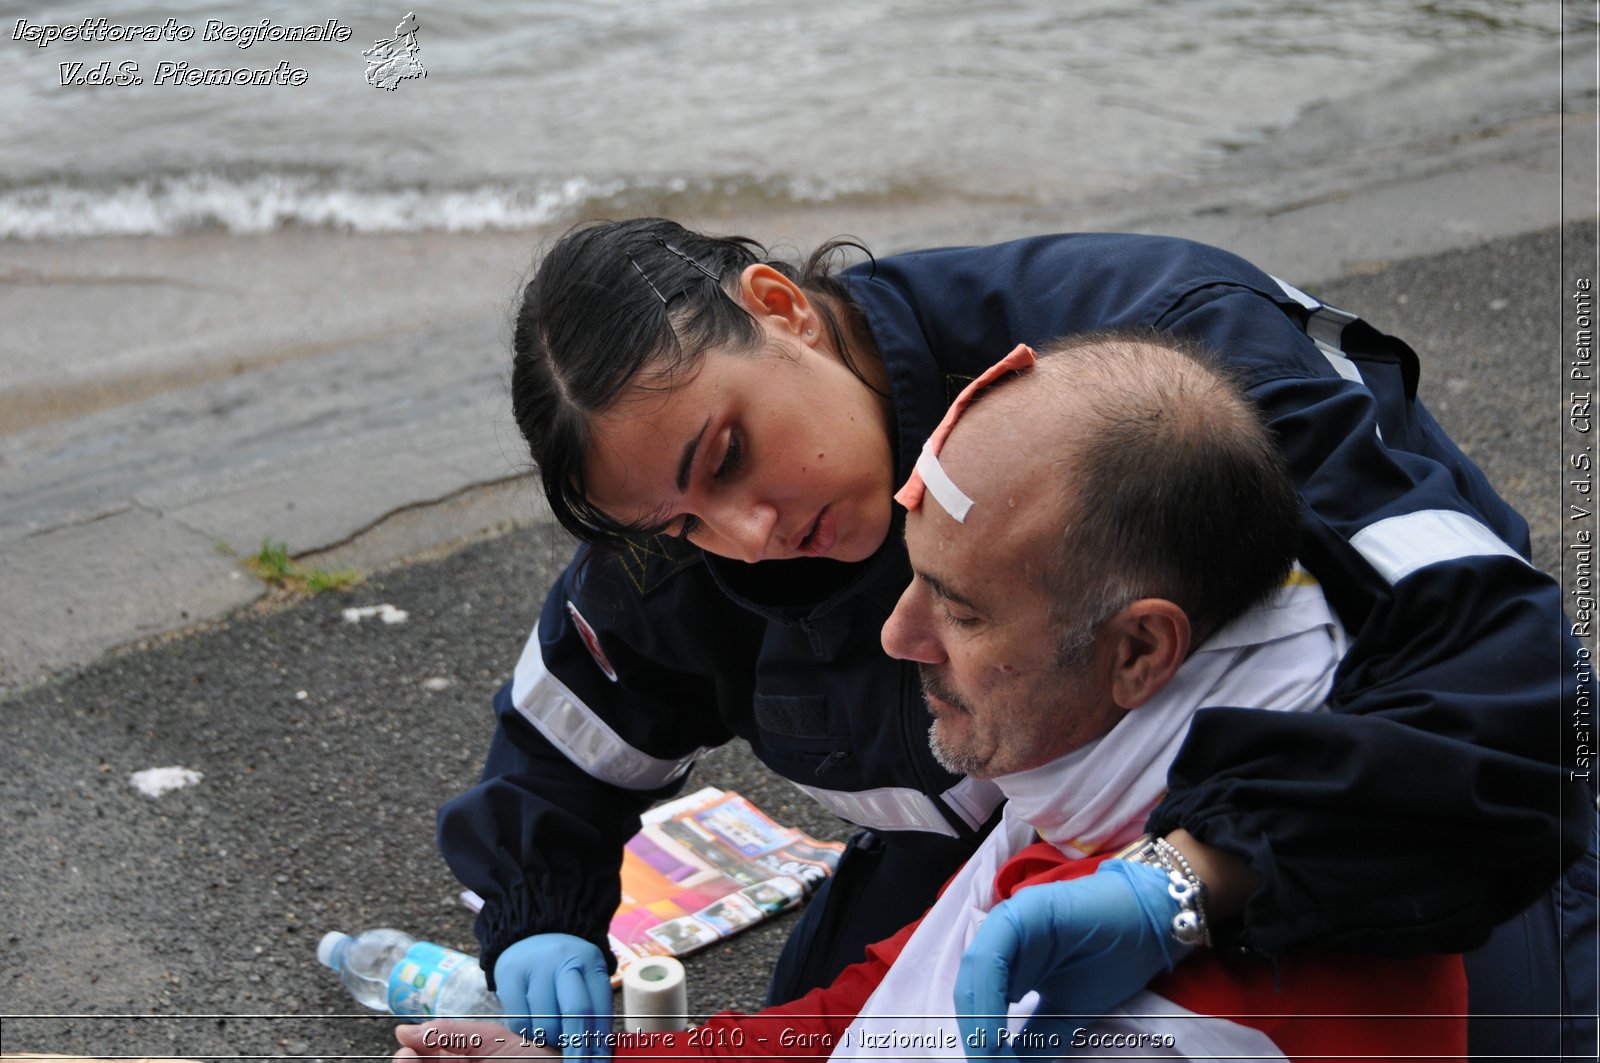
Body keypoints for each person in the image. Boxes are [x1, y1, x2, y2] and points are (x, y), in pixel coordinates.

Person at [436, 219, 1594, 1058]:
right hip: (995, 834)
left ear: (781, 307)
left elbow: (1505, 683)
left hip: (1346, 805)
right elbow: (561, 746)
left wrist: (1189, 878)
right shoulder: (687, 535)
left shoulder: (1190, 366)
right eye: (683, 521)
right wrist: (539, 923)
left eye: (728, 457)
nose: (748, 533)